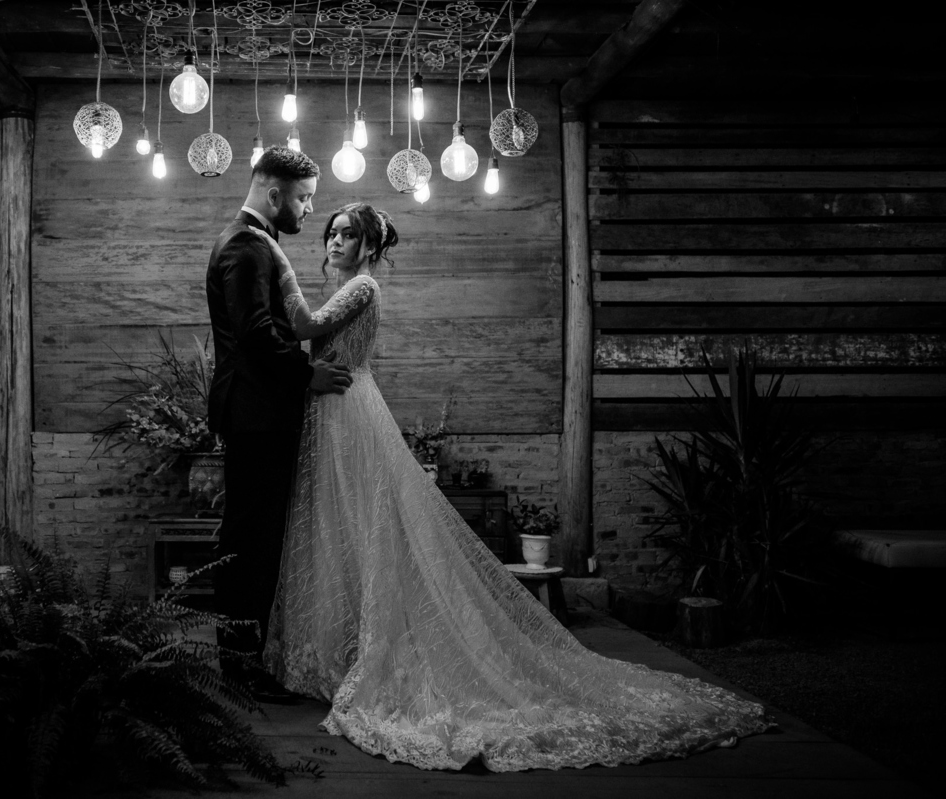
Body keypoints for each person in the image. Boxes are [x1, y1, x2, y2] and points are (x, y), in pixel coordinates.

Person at [250, 202, 772, 771]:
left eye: (347, 235)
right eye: (331, 233)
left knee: (365, 526)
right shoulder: (345, 286)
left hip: (349, 411)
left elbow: (304, 327)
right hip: (329, 412)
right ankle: (337, 648)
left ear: (369, 246)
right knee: (335, 528)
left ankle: (371, 648)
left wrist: (278, 261)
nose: (334, 241)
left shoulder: (363, 287)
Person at [204, 147, 352, 698]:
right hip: (256, 413)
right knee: (251, 540)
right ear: (274, 194)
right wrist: (307, 375)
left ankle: (246, 659)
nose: (310, 209)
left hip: (257, 411)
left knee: (256, 537)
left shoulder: (249, 242)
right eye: (304, 198)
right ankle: (241, 667)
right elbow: (255, 331)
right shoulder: (245, 246)